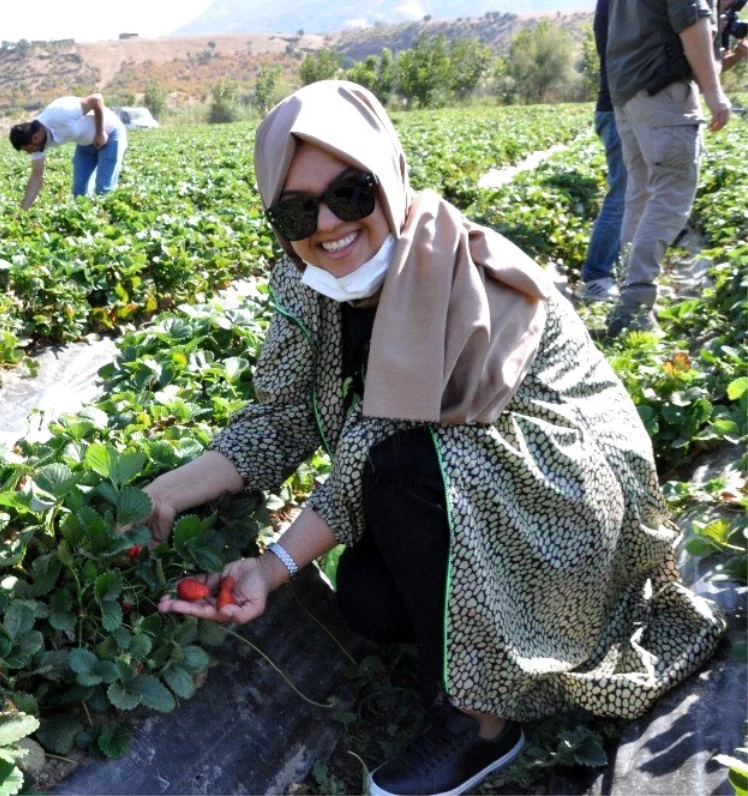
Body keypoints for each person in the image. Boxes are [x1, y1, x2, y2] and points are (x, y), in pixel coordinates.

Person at [144, 81, 726, 796]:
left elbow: (373, 457)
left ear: (386, 176)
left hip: (568, 495)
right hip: (464, 482)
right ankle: (496, 648)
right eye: (298, 209)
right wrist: (163, 495)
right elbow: (282, 415)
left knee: (402, 472)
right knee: (368, 598)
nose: (328, 223)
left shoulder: (444, 271)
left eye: (351, 193)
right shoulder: (309, 282)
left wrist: (271, 566)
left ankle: (480, 723)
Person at [604, 0, 731, 335]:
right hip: (662, 89)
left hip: (629, 92)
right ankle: (636, 303)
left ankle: (627, 301)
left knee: (642, 195)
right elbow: (692, 22)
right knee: (670, 194)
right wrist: (714, 93)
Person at [580, 0, 628, 303]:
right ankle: (596, 276)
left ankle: (612, 268)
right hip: (618, 110)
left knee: (630, 193)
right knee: (623, 193)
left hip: (617, 108)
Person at [8, 94, 127, 210]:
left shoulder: (60, 112)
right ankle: (90, 223)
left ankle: (108, 223)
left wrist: (100, 132)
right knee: (79, 193)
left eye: (28, 150)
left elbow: (97, 99)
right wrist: (22, 211)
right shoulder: (37, 143)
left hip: (110, 134)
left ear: (35, 138)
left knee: (103, 190)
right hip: (85, 144)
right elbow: (36, 177)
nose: (30, 154)